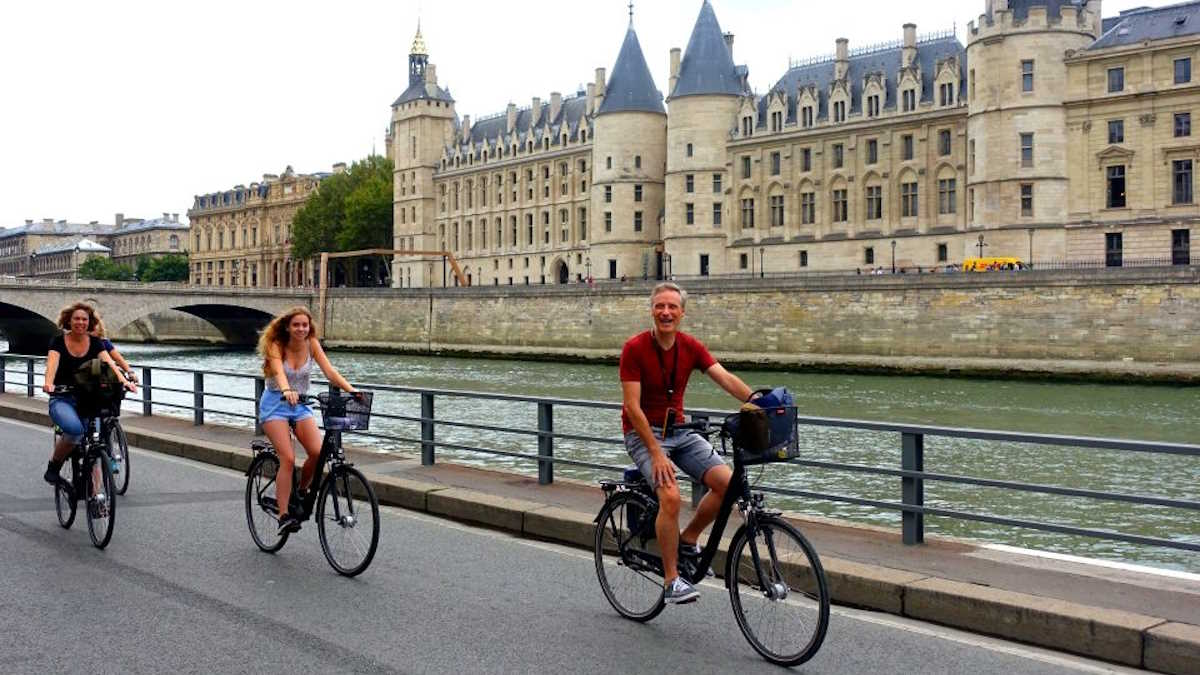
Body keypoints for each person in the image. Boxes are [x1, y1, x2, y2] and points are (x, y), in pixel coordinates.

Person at [619, 282, 755, 605]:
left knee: (728, 484)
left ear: (682, 313)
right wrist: (655, 452)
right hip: (643, 433)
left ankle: (688, 538)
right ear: (651, 311)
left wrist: (757, 402)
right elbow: (631, 408)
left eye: (672, 307)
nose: (666, 313)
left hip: (679, 430)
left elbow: (725, 378)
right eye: (659, 307)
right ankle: (671, 580)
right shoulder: (634, 349)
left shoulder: (690, 347)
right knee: (671, 497)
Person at [256, 306, 360, 535]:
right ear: (287, 327)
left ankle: (301, 491)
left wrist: (352, 391)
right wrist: (286, 389)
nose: (301, 329)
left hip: (301, 404)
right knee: (288, 458)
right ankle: (283, 515)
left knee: (317, 452)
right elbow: (279, 373)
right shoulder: (276, 344)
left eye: (305, 325)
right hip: (276, 404)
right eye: (296, 325)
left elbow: (329, 372)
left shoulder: (312, 343)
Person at [42, 302, 136, 485]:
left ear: (89, 322)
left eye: (84, 319)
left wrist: (124, 381)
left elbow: (109, 363)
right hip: (63, 398)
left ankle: (96, 497)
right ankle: (53, 467)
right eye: (76, 318)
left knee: (92, 445)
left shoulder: (95, 343)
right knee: (75, 431)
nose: (80, 322)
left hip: (87, 399)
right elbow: (52, 364)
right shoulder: (58, 341)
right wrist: (48, 383)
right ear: (69, 321)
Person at [91, 318, 138, 384]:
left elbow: (118, 359)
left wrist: (130, 372)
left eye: (93, 325)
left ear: (99, 327)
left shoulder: (104, 343)